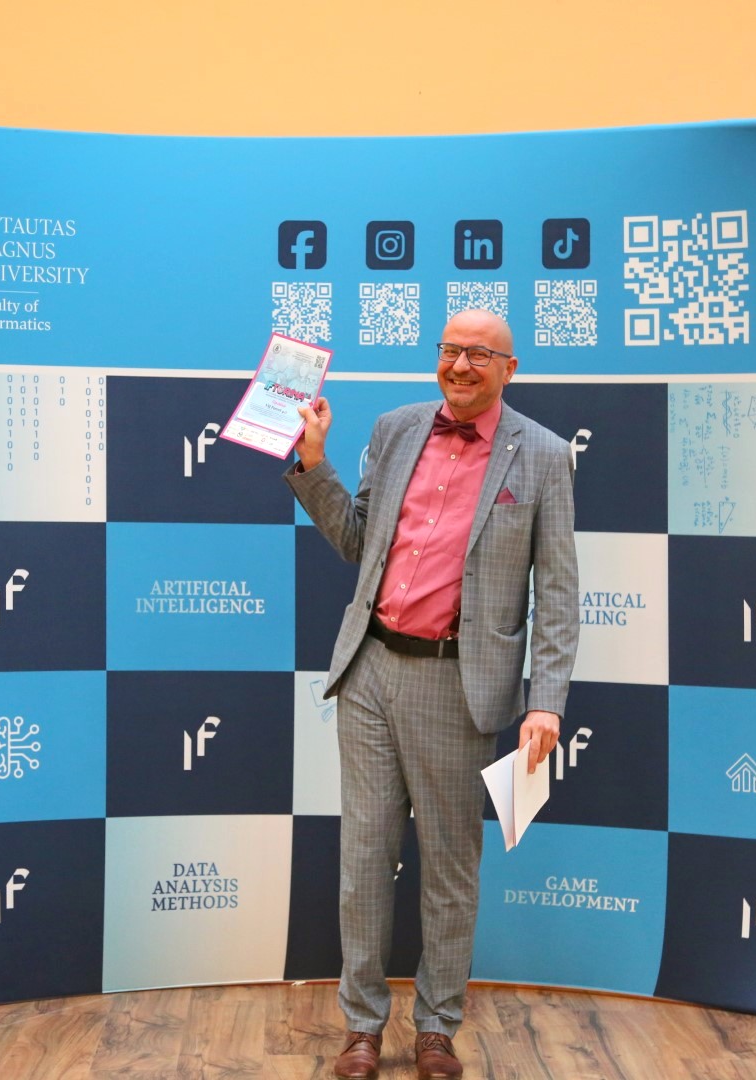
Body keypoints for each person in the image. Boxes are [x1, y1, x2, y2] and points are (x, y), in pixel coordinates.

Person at [285, 308, 579, 1080]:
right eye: (451, 350)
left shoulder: (544, 455)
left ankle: (437, 1029)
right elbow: (358, 542)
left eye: (480, 353)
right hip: (370, 670)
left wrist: (546, 698)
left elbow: (558, 590)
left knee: (449, 868)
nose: (461, 365)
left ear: (509, 368)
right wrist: (314, 465)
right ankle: (361, 1027)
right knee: (364, 860)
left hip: (458, 684)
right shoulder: (395, 429)